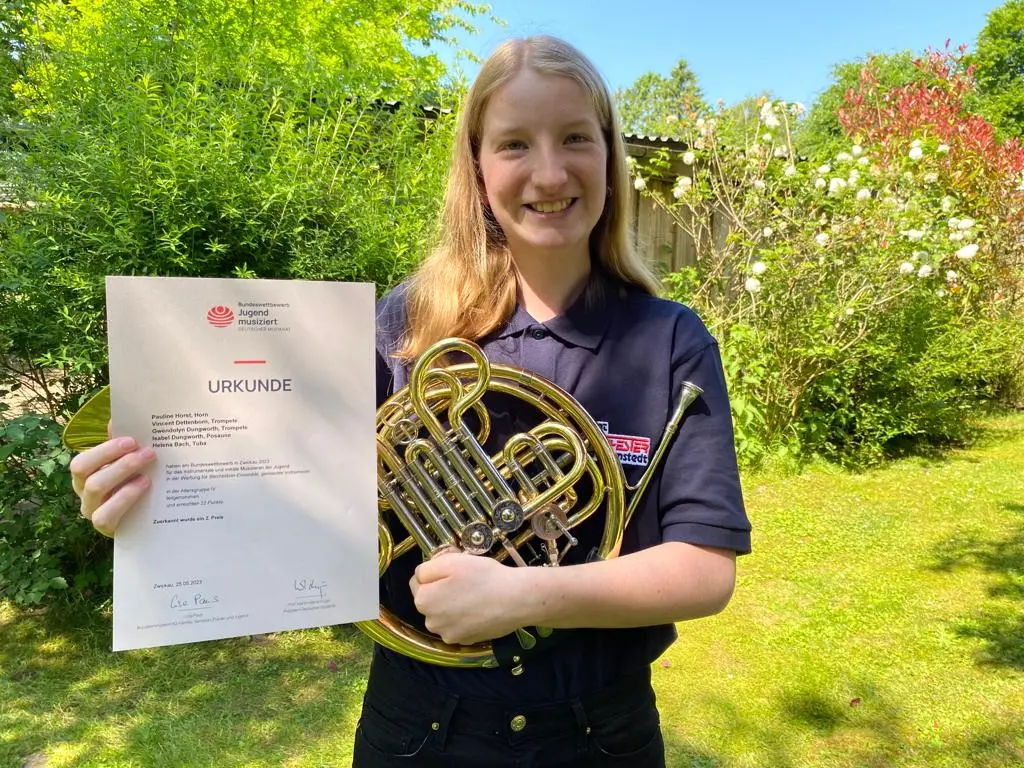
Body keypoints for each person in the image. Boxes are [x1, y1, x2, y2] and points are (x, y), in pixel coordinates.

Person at [70, 35, 751, 768]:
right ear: (478, 168)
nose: (549, 171)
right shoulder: (403, 323)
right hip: (419, 727)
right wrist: (157, 497)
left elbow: (704, 570)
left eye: (576, 138)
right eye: (515, 143)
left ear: (610, 158)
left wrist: (527, 596)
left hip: (599, 733)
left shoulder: (669, 340)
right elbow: (275, 476)